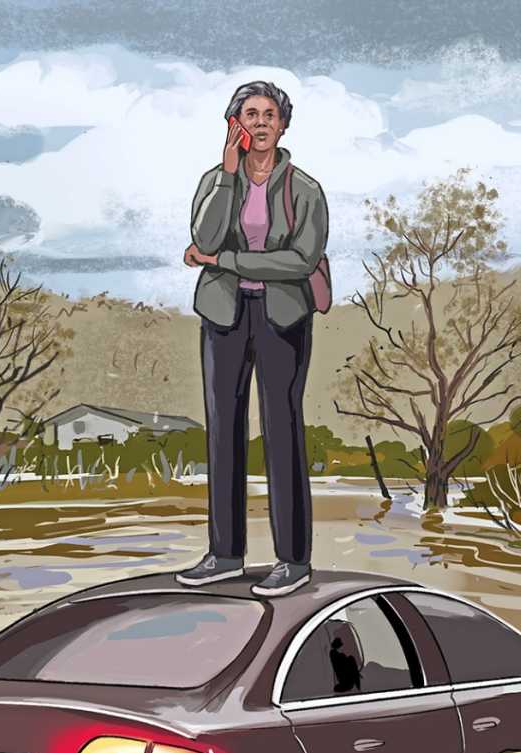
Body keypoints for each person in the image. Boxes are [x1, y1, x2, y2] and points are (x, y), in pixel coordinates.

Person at [176, 80, 328, 596]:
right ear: (234, 123)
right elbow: (205, 237)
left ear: (283, 125)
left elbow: (299, 261)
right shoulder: (217, 180)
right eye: (250, 114)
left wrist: (224, 262)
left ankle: (293, 560)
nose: (260, 122)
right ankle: (224, 555)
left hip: (282, 315)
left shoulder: (305, 189)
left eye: (269, 114)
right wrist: (227, 172)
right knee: (223, 430)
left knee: (283, 430)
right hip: (223, 312)